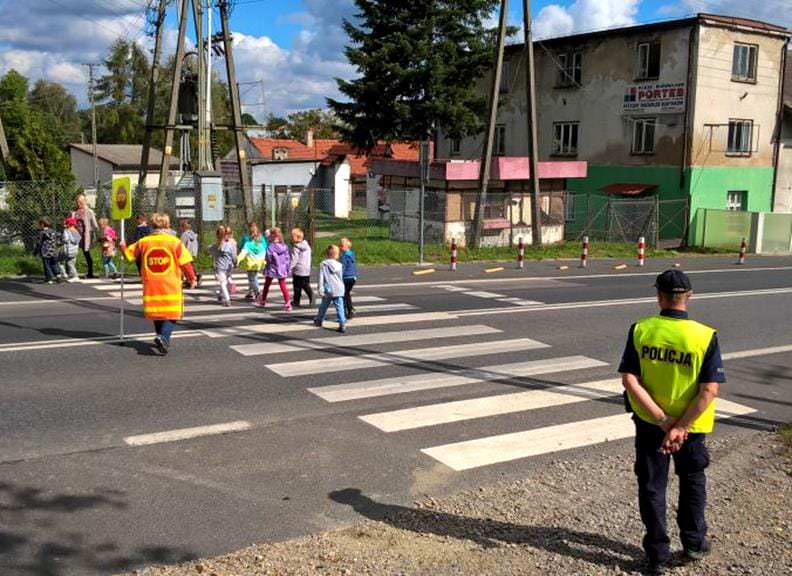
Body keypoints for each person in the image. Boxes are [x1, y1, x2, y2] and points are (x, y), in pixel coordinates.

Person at [618, 270, 725, 575]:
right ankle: (693, 543)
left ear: (659, 297)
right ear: (689, 297)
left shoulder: (641, 330)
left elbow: (630, 380)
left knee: (652, 485)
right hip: (692, 427)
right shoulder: (705, 336)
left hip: (651, 423)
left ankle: (657, 556)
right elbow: (709, 391)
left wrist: (664, 420)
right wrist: (681, 426)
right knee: (692, 482)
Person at [121, 212, 196, 355]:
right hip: (170, 284)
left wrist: (123, 247)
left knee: (157, 313)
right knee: (173, 314)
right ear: (167, 225)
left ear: (152, 225)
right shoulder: (174, 242)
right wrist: (192, 278)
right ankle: (163, 337)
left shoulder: (144, 242)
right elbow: (186, 263)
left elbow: (129, 256)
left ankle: (160, 338)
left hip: (151, 285)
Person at [257, 227, 292, 311]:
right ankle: (287, 302)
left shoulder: (270, 247)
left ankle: (263, 300)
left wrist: (267, 264)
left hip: (272, 268)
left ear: (272, 236)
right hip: (281, 268)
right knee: (283, 285)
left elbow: (268, 258)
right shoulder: (284, 246)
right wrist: (287, 267)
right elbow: (287, 258)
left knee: (267, 284)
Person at [314, 244, 346, 333]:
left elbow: (321, 277)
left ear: (327, 254)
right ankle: (342, 323)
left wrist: (320, 288)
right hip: (339, 288)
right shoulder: (340, 265)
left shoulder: (323, 264)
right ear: (336, 255)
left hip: (329, 289)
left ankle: (319, 320)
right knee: (340, 307)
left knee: (323, 306)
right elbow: (340, 277)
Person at [237, 222, 267, 301]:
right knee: (254, 277)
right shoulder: (261, 238)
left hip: (250, 262)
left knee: (252, 278)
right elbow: (265, 248)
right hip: (258, 263)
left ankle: (257, 292)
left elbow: (242, 248)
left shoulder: (247, 239)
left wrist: (238, 260)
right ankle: (251, 292)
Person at [208, 225, 237, 307]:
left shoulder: (215, 245)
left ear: (217, 235)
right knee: (225, 281)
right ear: (226, 234)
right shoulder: (230, 245)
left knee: (223, 283)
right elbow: (234, 256)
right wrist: (235, 263)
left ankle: (227, 299)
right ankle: (221, 295)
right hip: (229, 267)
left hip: (220, 267)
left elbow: (209, 250)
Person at [71, 194, 99, 279]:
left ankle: (90, 272)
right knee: (72, 252)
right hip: (76, 234)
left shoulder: (89, 211)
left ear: (85, 201)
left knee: (86, 253)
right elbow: (71, 223)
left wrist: (96, 233)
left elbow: (95, 225)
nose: (79, 203)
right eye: (78, 202)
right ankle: (71, 272)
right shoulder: (74, 212)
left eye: (81, 201)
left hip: (85, 235)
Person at [290, 227, 313, 307]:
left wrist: (289, 267)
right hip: (306, 269)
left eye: (292, 236)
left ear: (297, 237)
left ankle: (296, 301)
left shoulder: (296, 248)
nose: (291, 238)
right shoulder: (307, 246)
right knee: (305, 284)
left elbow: (294, 259)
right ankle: (311, 296)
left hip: (298, 269)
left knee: (297, 286)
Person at [34, 217, 60, 284]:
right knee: (54, 263)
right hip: (54, 251)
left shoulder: (42, 233)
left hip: (46, 251)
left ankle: (49, 278)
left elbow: (38, 243)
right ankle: (58, 275)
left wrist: (36, 251)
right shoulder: (54, 231)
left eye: (39, 224)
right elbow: (58, 240)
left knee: (47, 265)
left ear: (42, 224)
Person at [179, 219, 201, 287]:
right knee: (191, 266)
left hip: (186, 253)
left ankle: (191, 279)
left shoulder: (184, 235)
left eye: (181, 226)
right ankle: (195, 276)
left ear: (183, 227)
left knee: (185, 267)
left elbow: (181, 245)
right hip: (193, 252)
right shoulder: (193, 234)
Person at [58, 217, 81, 282]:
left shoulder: (67, 230)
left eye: (66, 223)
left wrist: (61, 241)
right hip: (75, 250)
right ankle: (73, 275)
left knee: (59, 261)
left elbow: (65, 239)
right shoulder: (76, 231)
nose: (65, 224)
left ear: (68, 224)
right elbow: (77, 240)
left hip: (67, 249)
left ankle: (64, 274)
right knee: (71, 263)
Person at [340, 237, 357, 319]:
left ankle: (349, 310)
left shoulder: (344, 256)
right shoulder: (352, 254)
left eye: (342, 246)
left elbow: (343, 267)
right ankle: (350, 309)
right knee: (346, 293)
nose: (340, 247)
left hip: (346, 277)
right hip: (353, 277)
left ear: (347, 247)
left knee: (344, 294)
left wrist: (339, 276)